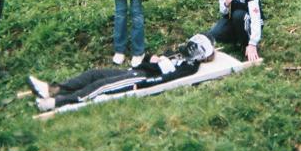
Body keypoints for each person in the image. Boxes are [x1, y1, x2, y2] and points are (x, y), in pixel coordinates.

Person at [27, 34, 215, 111]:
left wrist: (143, 81)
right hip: (136, 71)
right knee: (94, 74)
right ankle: (53, 89)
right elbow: (149, 58)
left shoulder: (189, 67)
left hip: (142, 79)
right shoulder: (177, 52)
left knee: (101, 86)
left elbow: (163, 79)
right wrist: (153, 58)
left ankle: (56, 102)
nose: (189, 47)